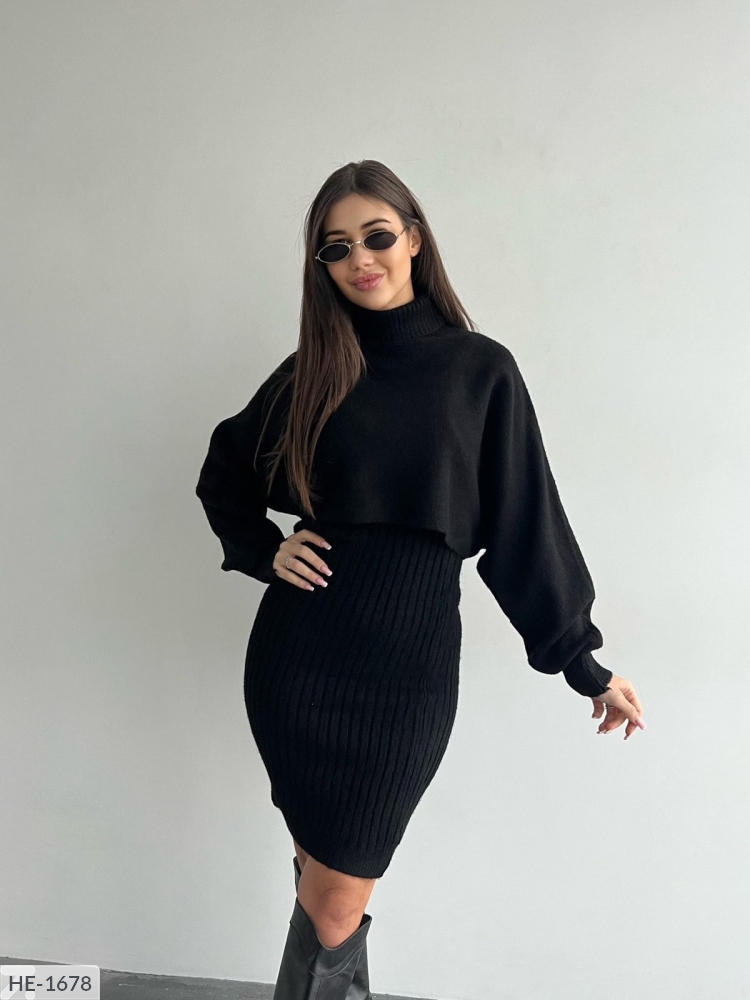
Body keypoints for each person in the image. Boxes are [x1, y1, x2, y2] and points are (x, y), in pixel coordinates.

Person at [195, 159, 646, 999]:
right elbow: (225, 473)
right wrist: (262, 551)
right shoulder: (312, 371)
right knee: (325, 888)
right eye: (336, 248)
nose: (359, 258)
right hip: (299, 661)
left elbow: (526, 527)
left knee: (333, 894)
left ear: (413, 239)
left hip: (406, 674)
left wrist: (583, 663)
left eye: (376, 236)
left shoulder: (480, 370)